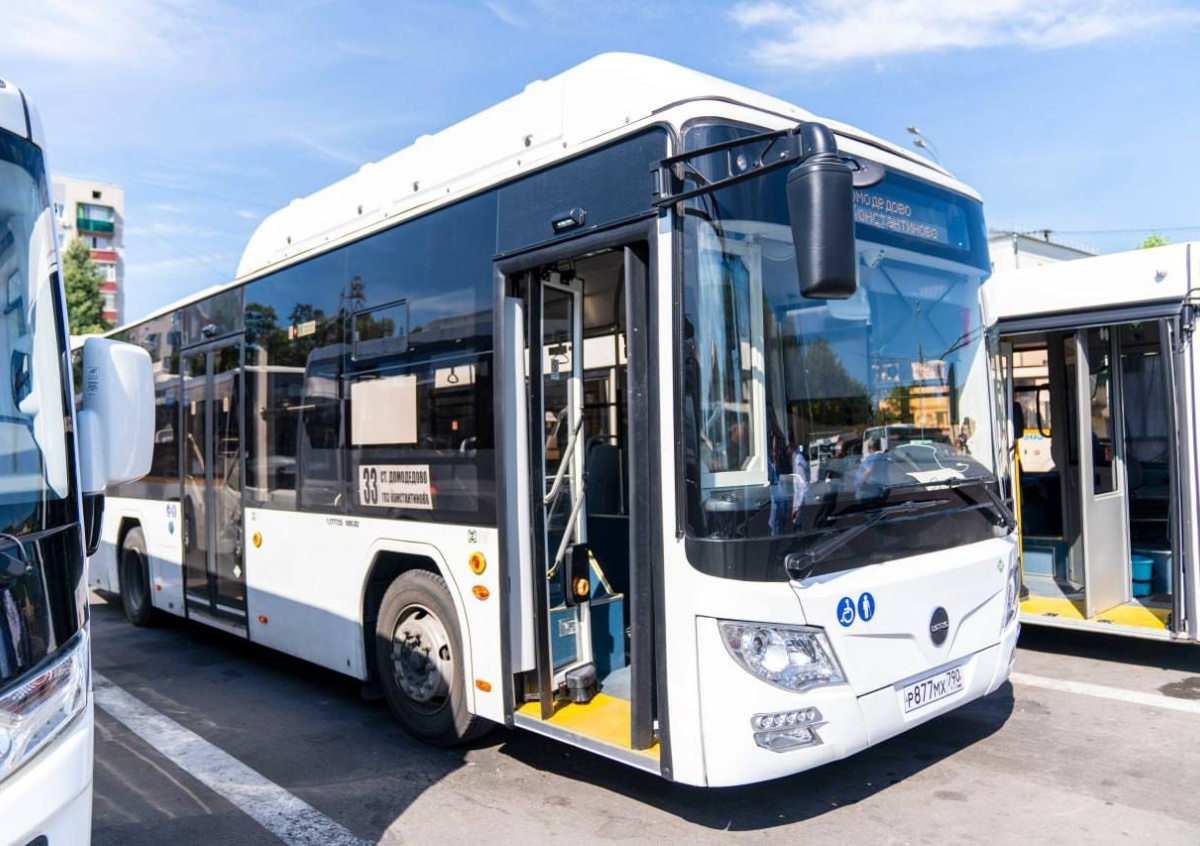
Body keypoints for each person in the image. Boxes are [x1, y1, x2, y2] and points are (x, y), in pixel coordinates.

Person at [791, 441, 810, 528]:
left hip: (800, 506)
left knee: (798, 526)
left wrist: (797, 509)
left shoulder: (798, 459)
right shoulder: (795, 457)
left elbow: (804, 487)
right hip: (798, 505)